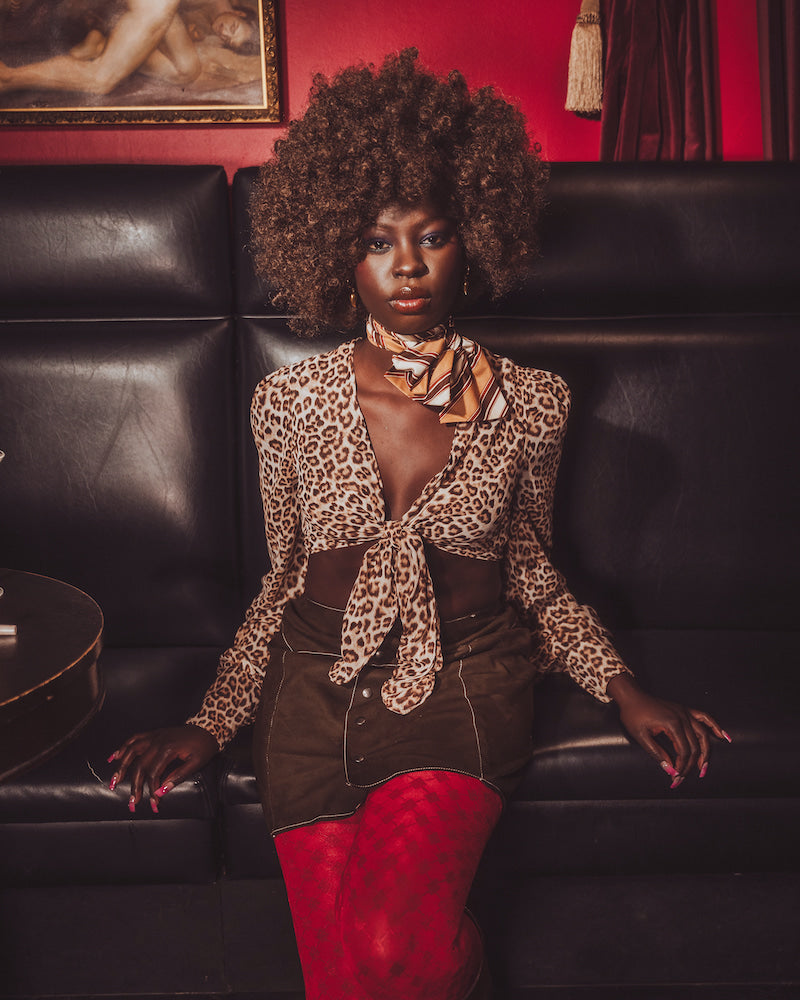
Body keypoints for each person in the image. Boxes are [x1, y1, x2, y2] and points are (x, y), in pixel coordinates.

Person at [106, 49, 729, 1000]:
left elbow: (527, 566)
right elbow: (282, 582)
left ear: (472, 240)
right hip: (314, 693)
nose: (406, 267)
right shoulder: (285, 403)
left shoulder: (531, 402)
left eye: (432, 238)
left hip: (465, 682)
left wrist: (622, 687)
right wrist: (212, 716)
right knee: (341, 982)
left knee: (401, 954)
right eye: (376, 240)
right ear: (336, 250)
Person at [0, 0, 258, 96]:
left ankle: (100, 39)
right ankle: (8, 77)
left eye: (227, 39)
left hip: (148, 11)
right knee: (99, 81)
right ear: (238, 12)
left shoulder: (205, 23)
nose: (223, 32)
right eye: (232, 28)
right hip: (153, 7)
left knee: (187, 71)